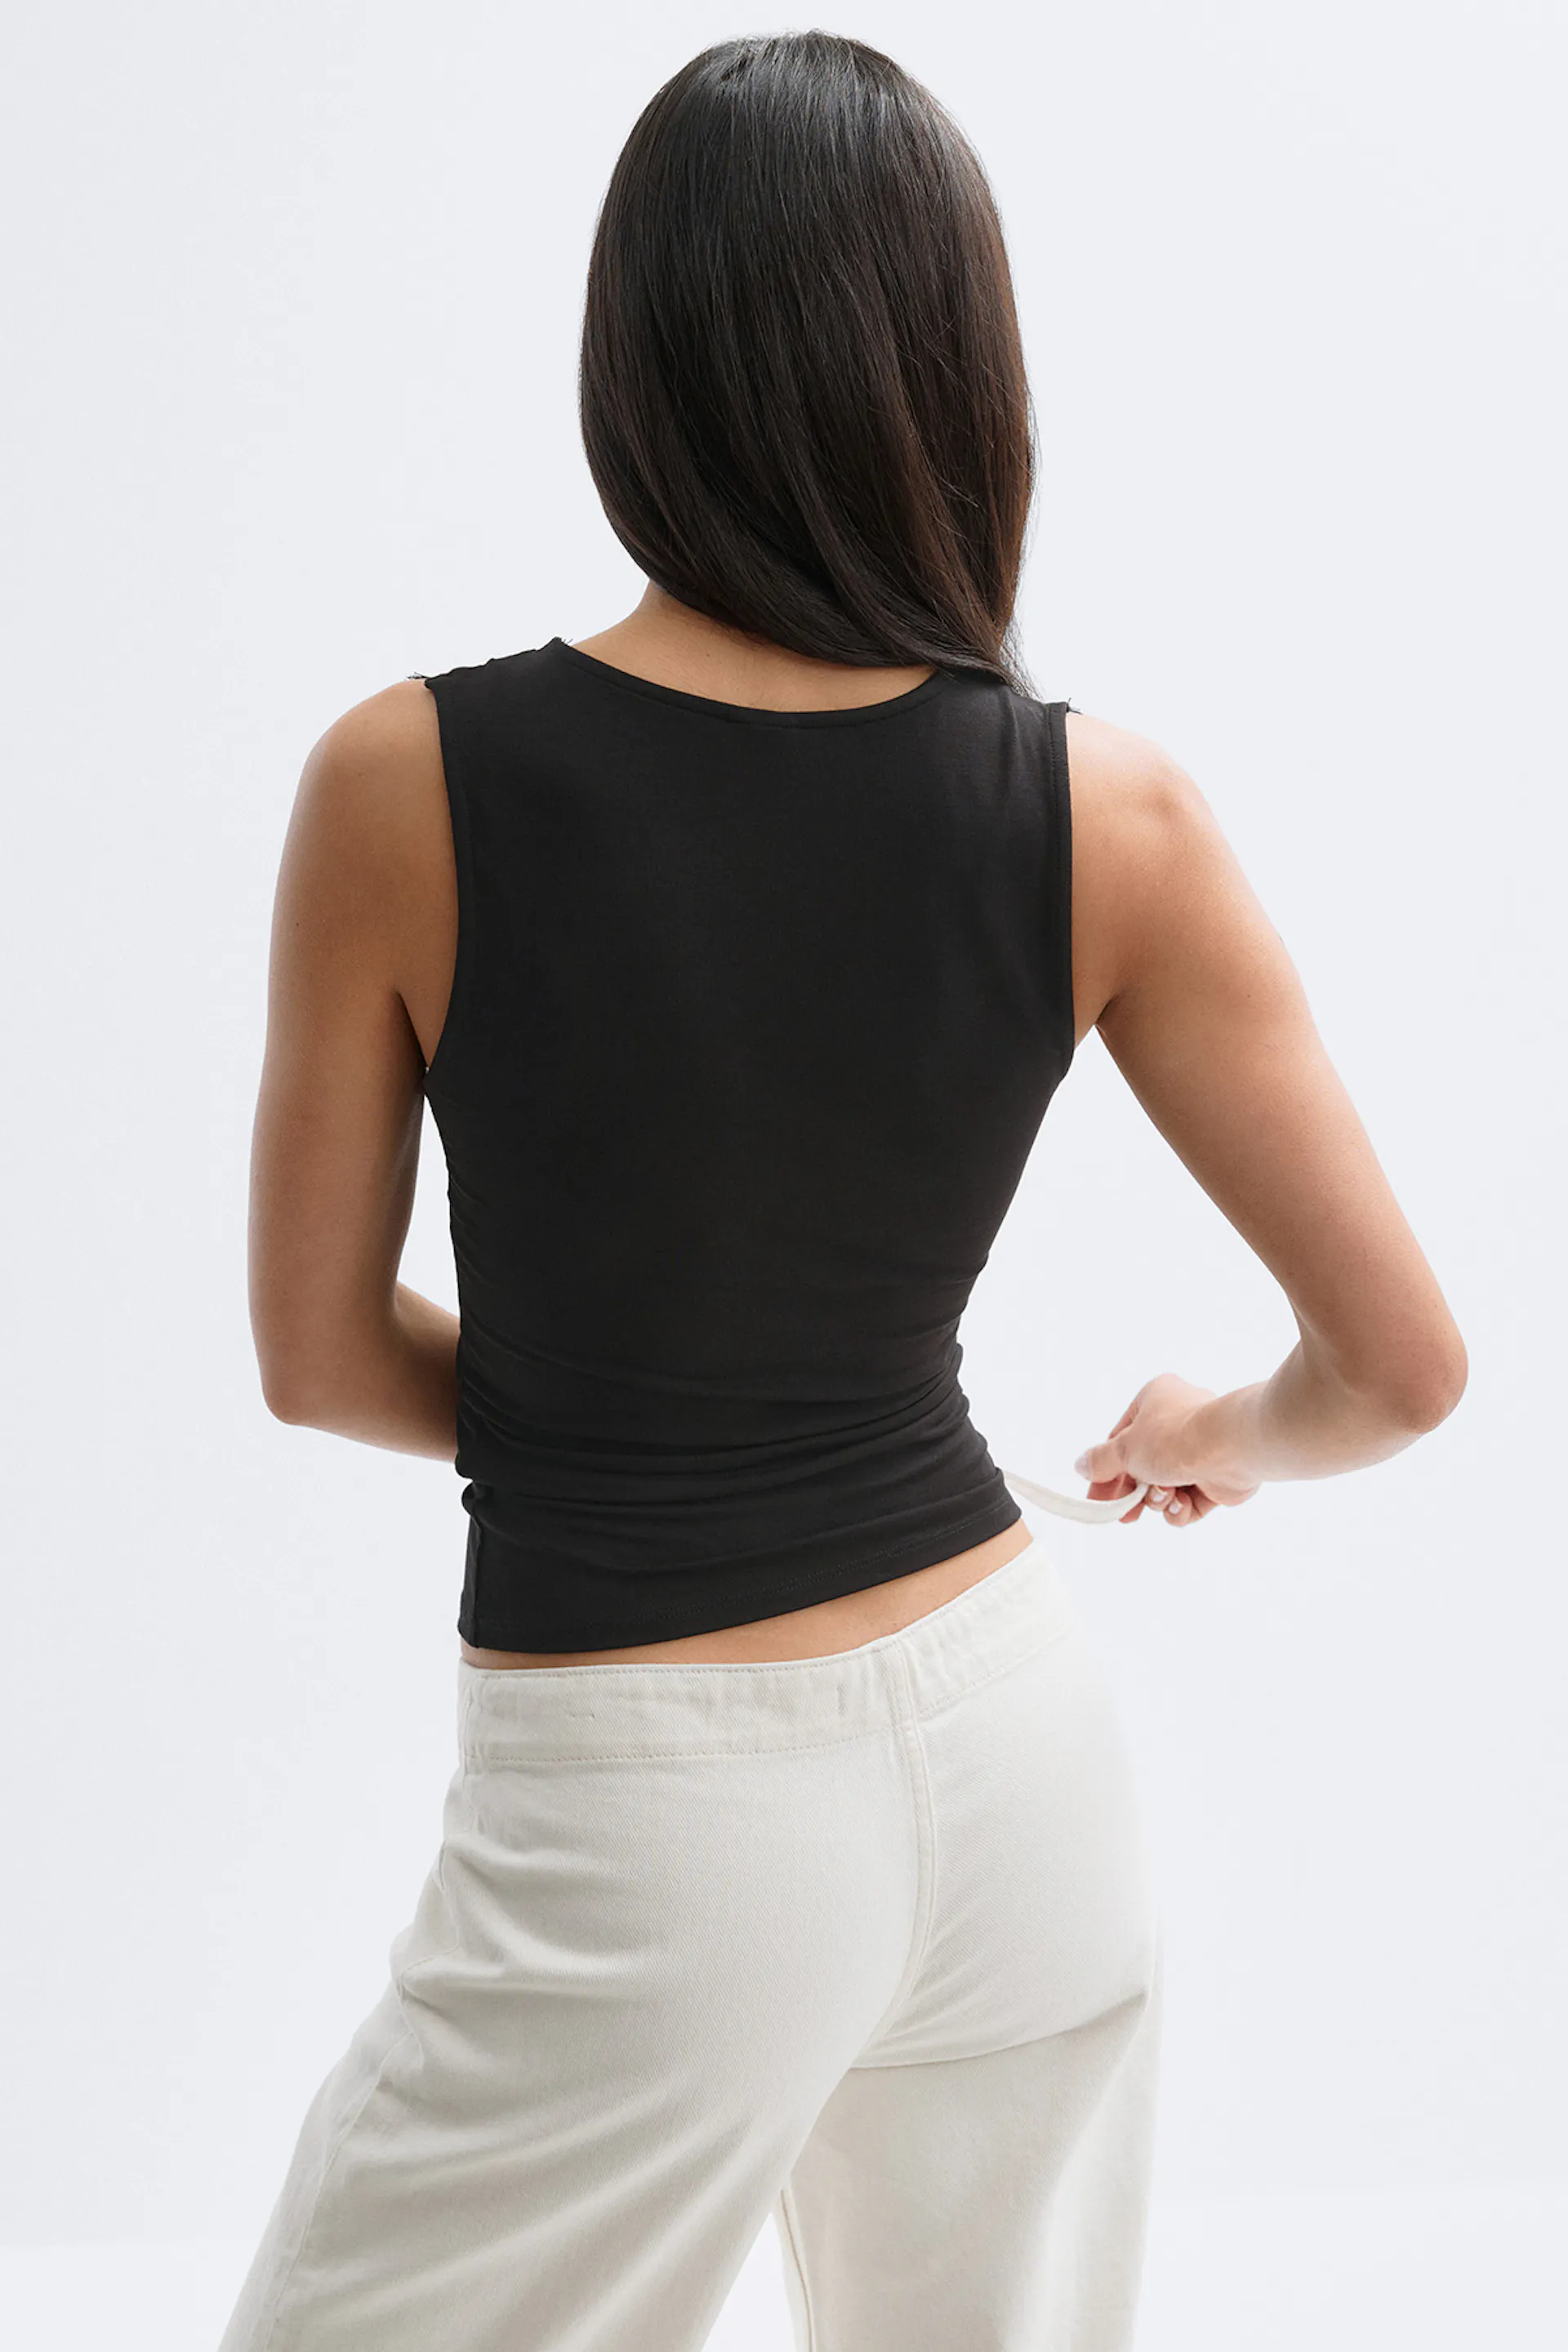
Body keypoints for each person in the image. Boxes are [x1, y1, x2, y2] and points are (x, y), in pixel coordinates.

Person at [219, 29, 1467, 2352]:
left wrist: (636, 1421)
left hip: (656, 1815)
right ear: (964, 377)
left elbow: (315, 1355)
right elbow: (1399, 1371)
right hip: (1019, 1754)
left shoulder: (409, 780)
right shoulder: (1106, 812)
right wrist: (1216, 1433)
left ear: (635, 363)